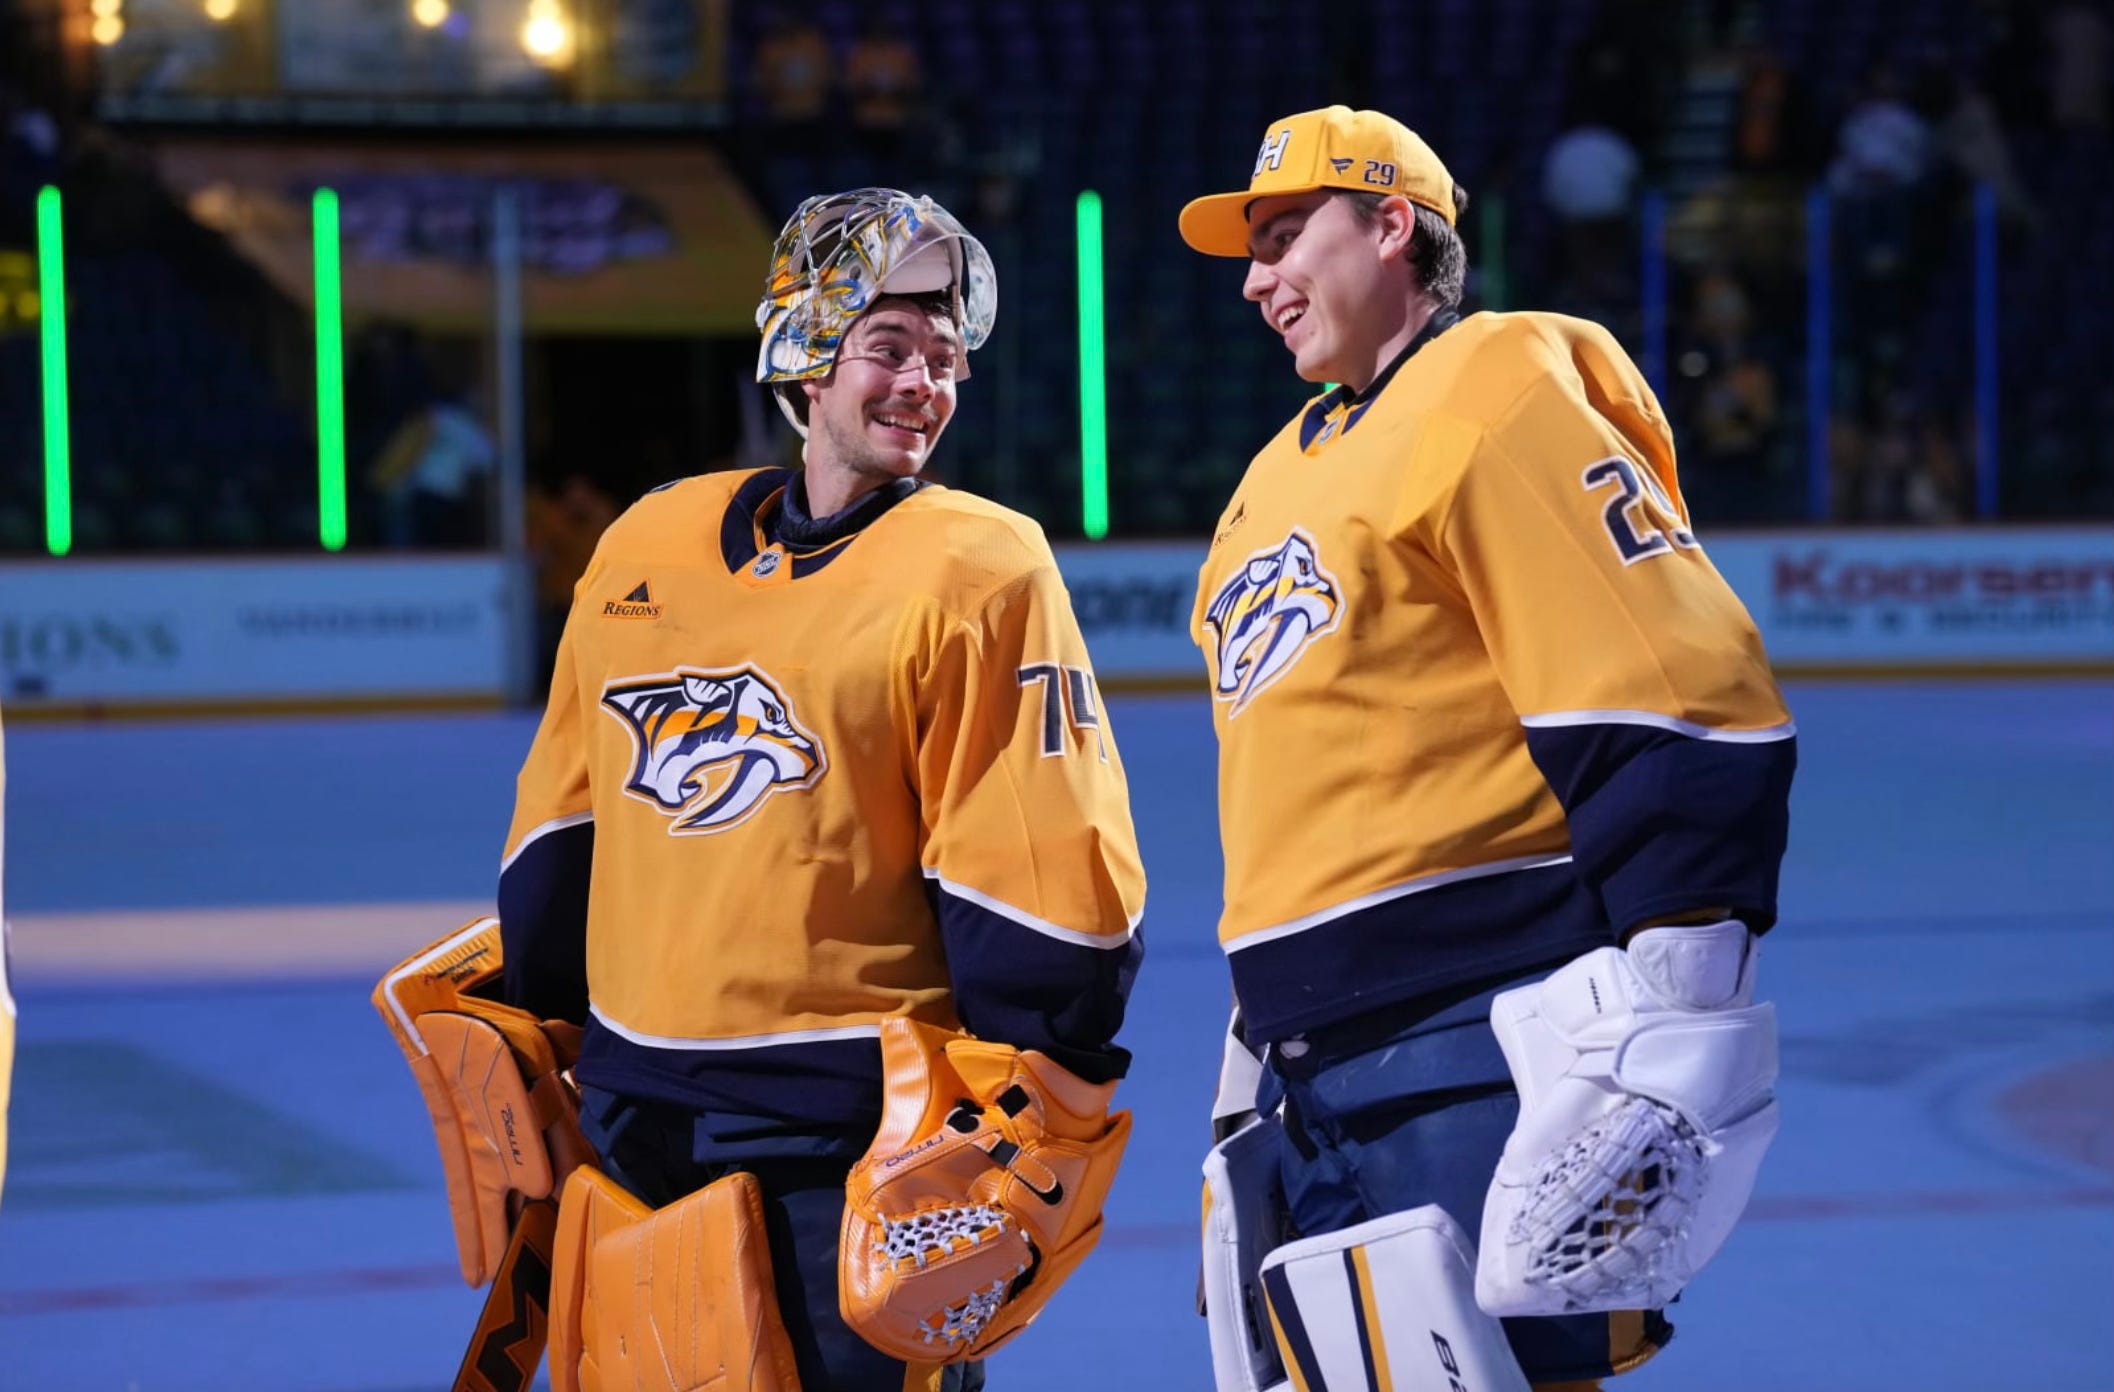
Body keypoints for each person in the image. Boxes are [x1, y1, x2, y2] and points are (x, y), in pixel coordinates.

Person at [1178, 108, 1795, 1392]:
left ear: (1388, 225)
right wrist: (1253, 1057)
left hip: (1478, 1049)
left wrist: (1688, 1001)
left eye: (1282, 236)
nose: (1252, 279)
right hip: (1317, 1074)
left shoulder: (1492, 389)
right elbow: (1301, 777)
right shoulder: (1271, 478)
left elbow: (1667, 686)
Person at [497, 188, 1146, 1390]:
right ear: (803, 351)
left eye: (944, 358)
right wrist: (535, 1025)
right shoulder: (644, 546)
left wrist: (1031, 1092)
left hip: (848, 1149)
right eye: (888, 348)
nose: (922, 384)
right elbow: (560, 832)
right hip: (633, 1130)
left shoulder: (977, 564)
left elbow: (1040, 892)